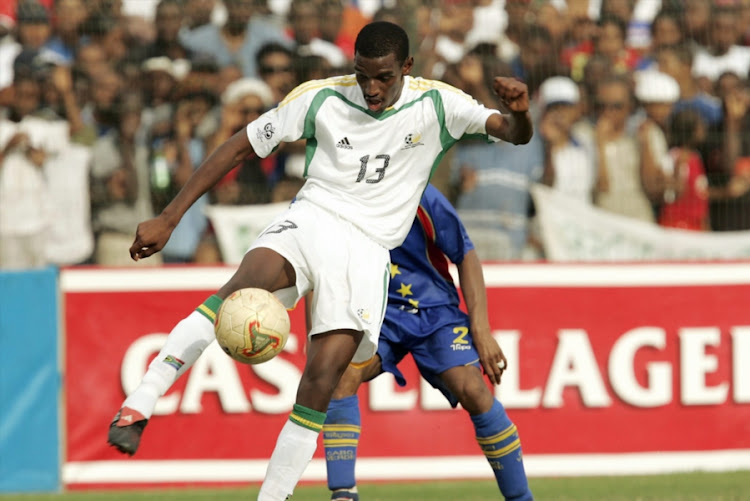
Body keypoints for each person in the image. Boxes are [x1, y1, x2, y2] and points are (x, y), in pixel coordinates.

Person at [107, 21, 532, 501]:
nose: (371, 88)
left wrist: (520, 113)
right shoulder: (321, 98)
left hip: (367, 254)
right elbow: (239, 146)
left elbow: (512, 134)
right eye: (362, 75)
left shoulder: (439, 103)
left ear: (406, 68)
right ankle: (138, 403)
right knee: (239, 290)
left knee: (321, 380)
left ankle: (273, 496)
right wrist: (169, 217)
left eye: (383, 78)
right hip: (312, 218)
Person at [322, 184, 532, 501]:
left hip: (435, 311)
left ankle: (521, 498)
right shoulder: (327, 195)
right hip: (375, 312)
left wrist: (482, 330)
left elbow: (465, 252)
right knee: (342, 374)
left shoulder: (418, 192)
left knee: (473, 389)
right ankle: (343, 495)